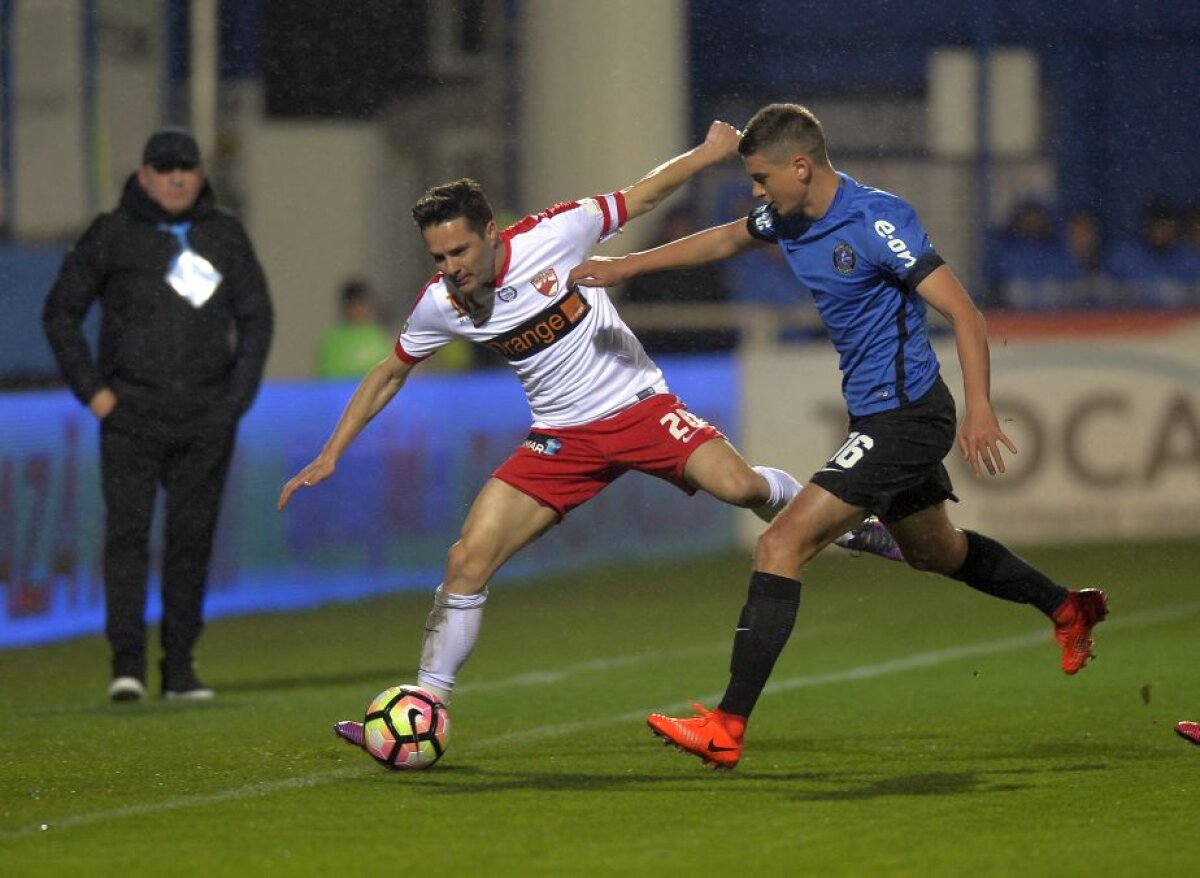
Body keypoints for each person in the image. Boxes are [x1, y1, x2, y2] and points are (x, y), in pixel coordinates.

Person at [275, 121, 900, 748]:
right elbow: (389, 372)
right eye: (438, 258)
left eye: (459, 252)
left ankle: (844, 523)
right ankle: (426, 708)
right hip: (560, 439)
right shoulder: (441, 304)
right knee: (466, 560)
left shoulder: (555, 232)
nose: (450, 268)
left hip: (638, 407)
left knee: (741, 488)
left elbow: (641, 196)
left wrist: (708, 154)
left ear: (491, 233)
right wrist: (331, 453)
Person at [568, 103, 1108, 770]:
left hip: (906, 417)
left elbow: (964, 312)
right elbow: (726, 239)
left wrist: (980, 410)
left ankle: (726, 726)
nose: (756, 194)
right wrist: (624, 267)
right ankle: (1066, 607)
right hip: (879, 416)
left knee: (780, 544)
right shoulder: (787, 216)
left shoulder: (878, 221)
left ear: (800, 166)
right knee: (936, 550)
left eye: (762, 178)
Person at [43, 128, 274, 702]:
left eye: (185, 168)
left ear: (200, 174)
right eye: (163, 168)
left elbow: (256, 317)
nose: (175, 178)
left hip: (204, 418)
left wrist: (234, 401)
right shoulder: (112, 234)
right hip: (131, 415)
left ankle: (179, 668)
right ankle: (126, 667)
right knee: (127, 540)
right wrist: (95, 394)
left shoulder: (223, 235)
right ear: (143, 174)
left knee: (190, 543)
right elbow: (61, 313)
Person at [620, 204, 737, 354]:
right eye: (676, 227)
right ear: (665, 229)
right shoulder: (645, 266)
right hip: (654, 348)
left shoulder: (708, 269)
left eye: (686, 228)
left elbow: (719, 311)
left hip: (700, 351)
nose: (680, 234)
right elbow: (630, 308)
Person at [316, 279, 397, 379]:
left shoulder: (379, 334)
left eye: (363, 304)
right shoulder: (333, 339)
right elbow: (329, 375)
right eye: (355, 305)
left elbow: (392, 371)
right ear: (346, 307)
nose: (360, 309)